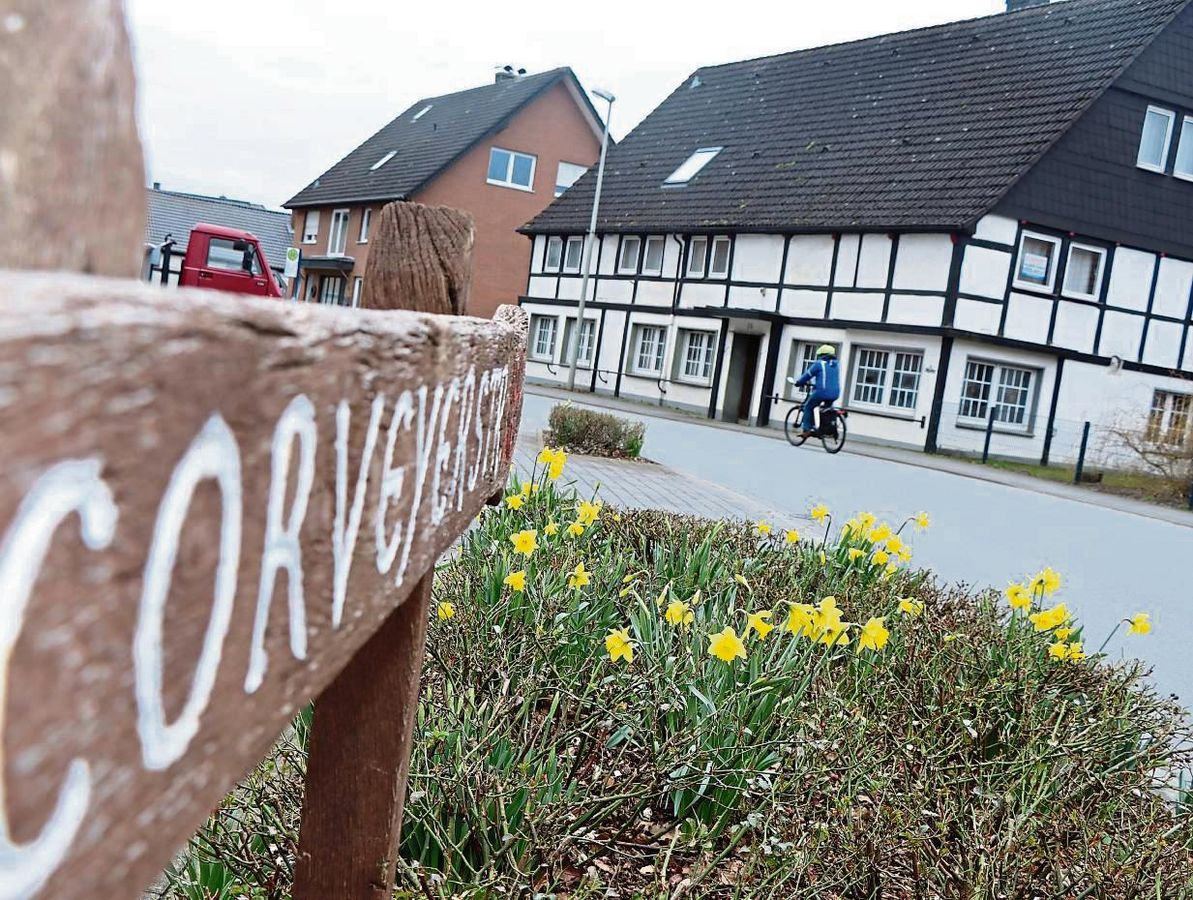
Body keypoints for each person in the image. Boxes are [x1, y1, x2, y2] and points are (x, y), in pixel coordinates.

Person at [792, 345, 840, 435]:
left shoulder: (819, 364)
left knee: (808, 406)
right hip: (835, 393)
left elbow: (807, 375)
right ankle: (823, 429)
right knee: (827, 410)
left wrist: (798, 383)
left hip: (822, 392)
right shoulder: (836, 364)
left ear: (822, 355)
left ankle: (806, 430)